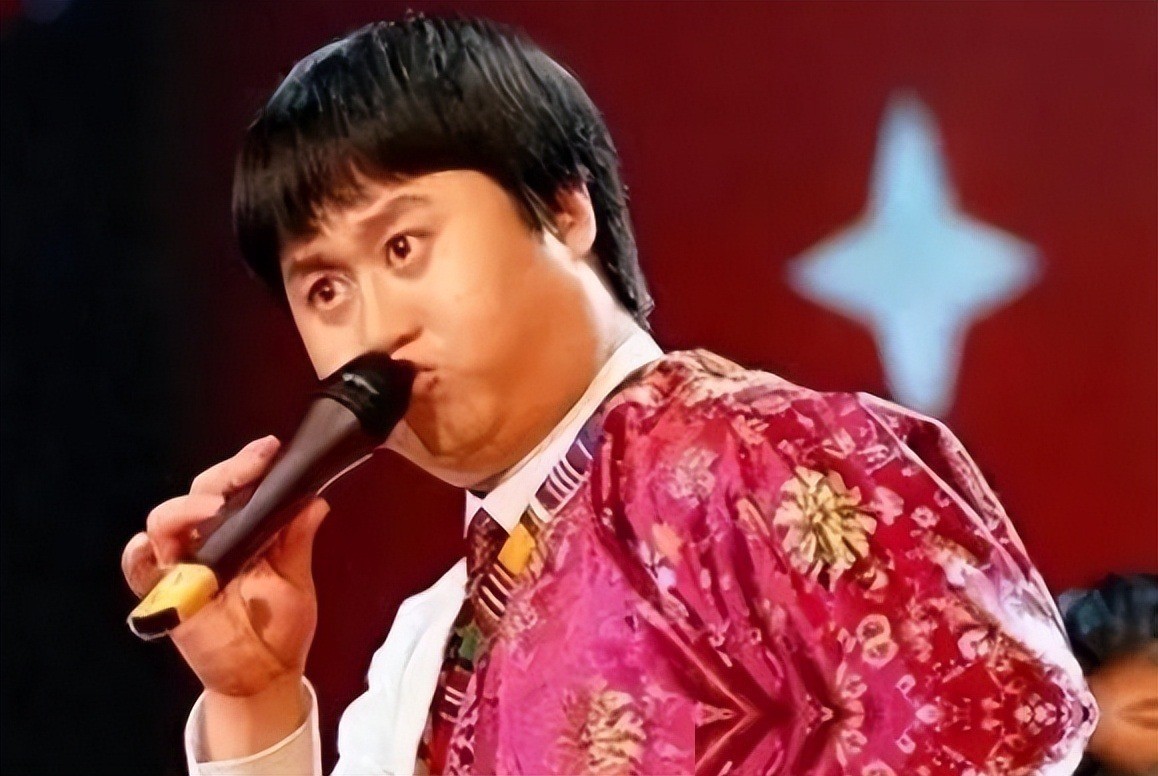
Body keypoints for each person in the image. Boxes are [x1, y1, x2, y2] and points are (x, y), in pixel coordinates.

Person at [121, 14, 1099, 775]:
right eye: (325, 289)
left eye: (404, 246)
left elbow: (1006, 722)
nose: (372, 328)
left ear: (565, 209)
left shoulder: (772, 459)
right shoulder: (425, 642)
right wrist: (254, 698)